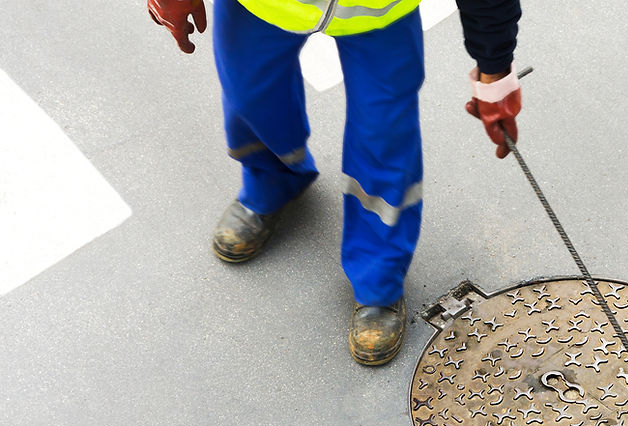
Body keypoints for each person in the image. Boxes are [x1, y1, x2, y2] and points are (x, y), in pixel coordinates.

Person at [148, 0, 522, 365]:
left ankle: (379, 276)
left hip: (379, 11)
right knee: (251, 95)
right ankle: (273, 179)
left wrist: (495, 70)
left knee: (384, 136)